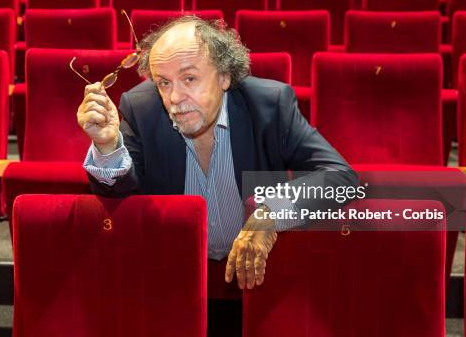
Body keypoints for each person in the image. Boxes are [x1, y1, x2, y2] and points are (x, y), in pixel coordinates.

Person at [77, 15, 357, 293]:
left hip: (258, 282)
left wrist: (271, 212)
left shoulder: (271, 106)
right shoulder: (141, 109)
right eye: (164, 83)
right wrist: (106, 146)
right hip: (175, 282)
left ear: (224, 76)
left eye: (189, 78)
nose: (175, 98)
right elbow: (118, 199)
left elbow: (341, 178)